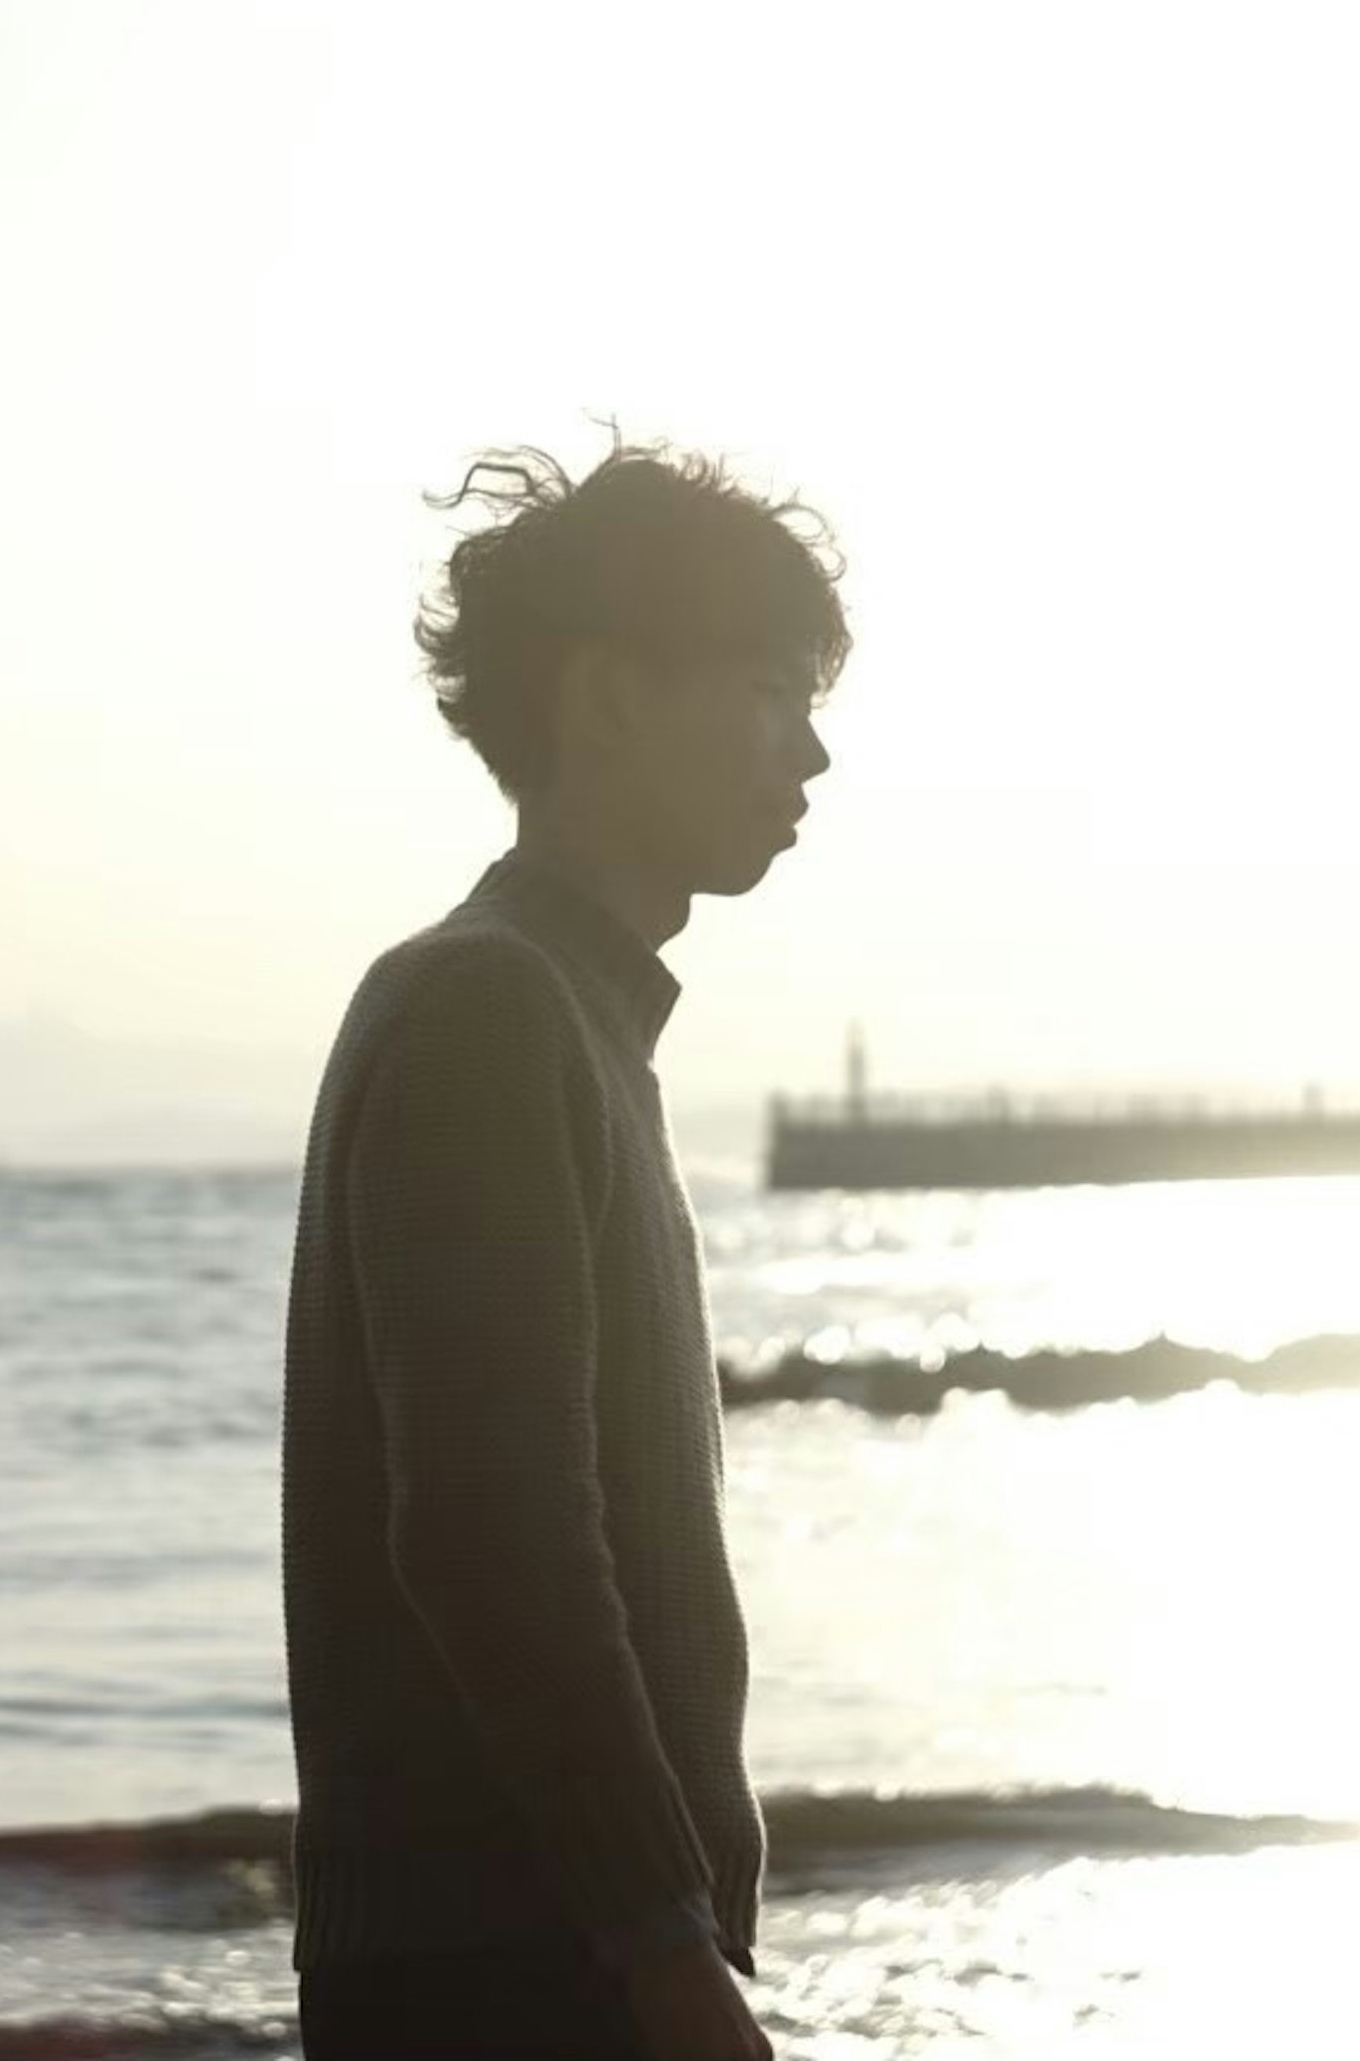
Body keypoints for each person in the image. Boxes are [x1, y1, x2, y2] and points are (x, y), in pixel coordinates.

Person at [281, 427, 846, 2060]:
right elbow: (489, 1528)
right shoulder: (488, 1012)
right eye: (765, 690)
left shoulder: (572, 1022)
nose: (809, 755)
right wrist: (666, 1957)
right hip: (509, 1979)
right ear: (604, 697)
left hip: (546, 1958)